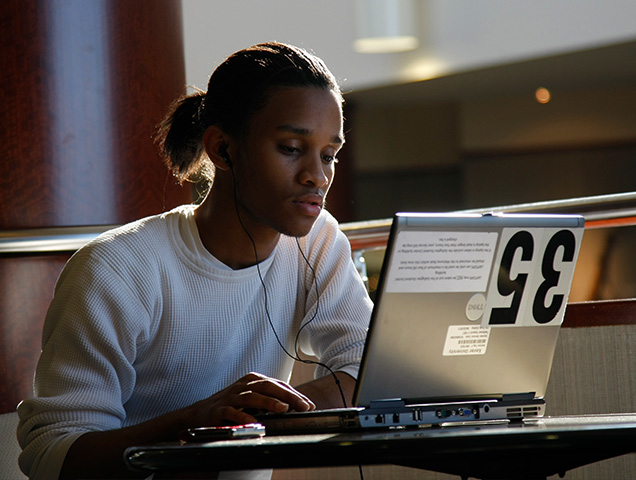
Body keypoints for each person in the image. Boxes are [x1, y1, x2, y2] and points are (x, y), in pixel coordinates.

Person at [17, 42, 372, 480]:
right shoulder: (117, 269)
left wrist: (267, 410)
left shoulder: (318, 241)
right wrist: (197, 422)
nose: (317, 176)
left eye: (328, 155)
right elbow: (53, 458)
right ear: (222, 149)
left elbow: (369, 370)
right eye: (291, 147)